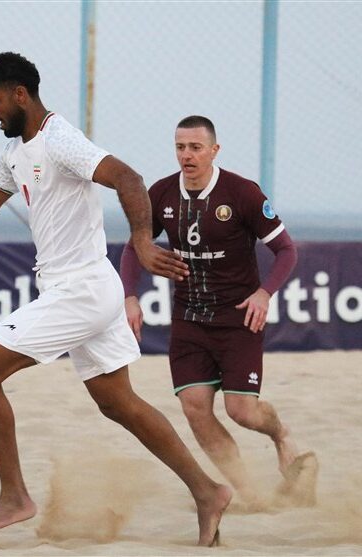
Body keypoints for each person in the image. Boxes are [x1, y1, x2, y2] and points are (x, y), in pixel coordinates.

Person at [0, 54, 231, 545]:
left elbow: (128, 178)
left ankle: (15, 495)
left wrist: (143, 242)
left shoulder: (60, 140)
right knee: (119, 403)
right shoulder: (15, 153)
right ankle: (207, 491)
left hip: (80, 288)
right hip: (84, 288)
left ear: (21, 95)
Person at [120, 115, 315, 508]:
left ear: (214, 150)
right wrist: (129, 296)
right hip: (189, 319)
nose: (186, 155)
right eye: (180, 147)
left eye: (195, 147)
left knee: (241, 411)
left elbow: (286, 251)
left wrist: (264, 293)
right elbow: (133, 247)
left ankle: (281, 436)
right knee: (194, 407)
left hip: (239, 317)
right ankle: (250, 493)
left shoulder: (242, 193)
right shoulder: (160, 194)